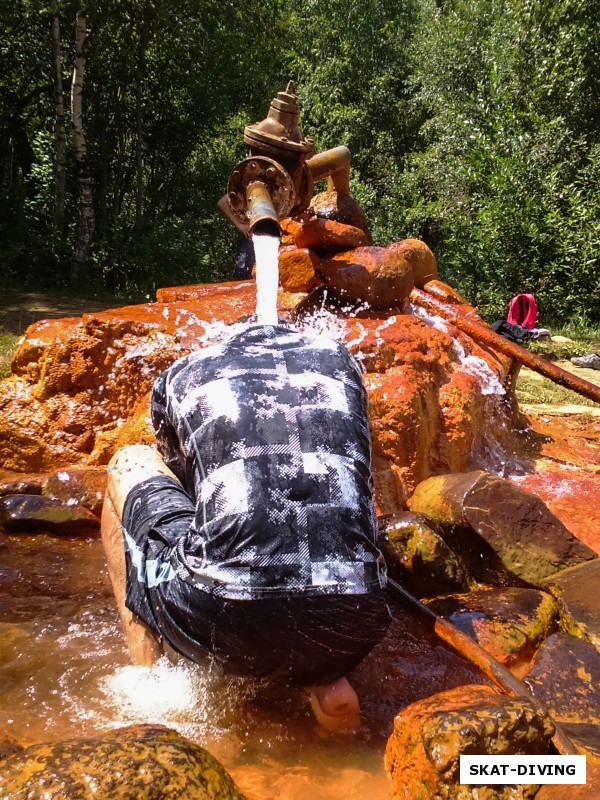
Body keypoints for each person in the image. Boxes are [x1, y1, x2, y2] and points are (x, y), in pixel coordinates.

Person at [101, 320, 391, 732]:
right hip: (355, 621)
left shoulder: (184, 371)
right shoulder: (343, 362)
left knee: (126, 462)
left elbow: (187, 480)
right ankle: (329, 686)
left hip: (223, 614)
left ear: (228, 339)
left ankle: (152, 685)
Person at [217, 194, 255, 280]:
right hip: (250, 238)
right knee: (244, 276)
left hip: (272, 238)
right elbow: (222, 203)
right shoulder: (249, 185)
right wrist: (239, 225)